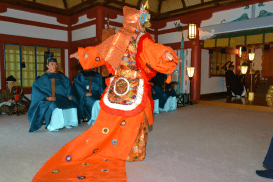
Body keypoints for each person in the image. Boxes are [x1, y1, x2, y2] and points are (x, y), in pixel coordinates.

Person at [32, 4, 178, 181]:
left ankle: (131, 150)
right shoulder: (120, 39)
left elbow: (154, 50)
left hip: (129, 84)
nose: (141, 26)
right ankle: (122, 149)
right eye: (140, 23)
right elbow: (100, 52)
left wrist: (165, 54)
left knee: (135, 119)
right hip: (122, 84)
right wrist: (84, 55)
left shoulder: (140, 40)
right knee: (113, 120)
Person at [28, 54, 78, 132]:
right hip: (48, 99)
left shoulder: (62, 77)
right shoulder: (43, 78)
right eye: (52, 64)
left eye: (55, 64)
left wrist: (69, 94)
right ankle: (54, 125)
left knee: (70, 103)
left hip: (61, 97)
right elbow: (36, 89)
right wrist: (47, 97)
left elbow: (68, 86)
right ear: (47, 66)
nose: (54, 66)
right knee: (54, 104)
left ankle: (68, 123)